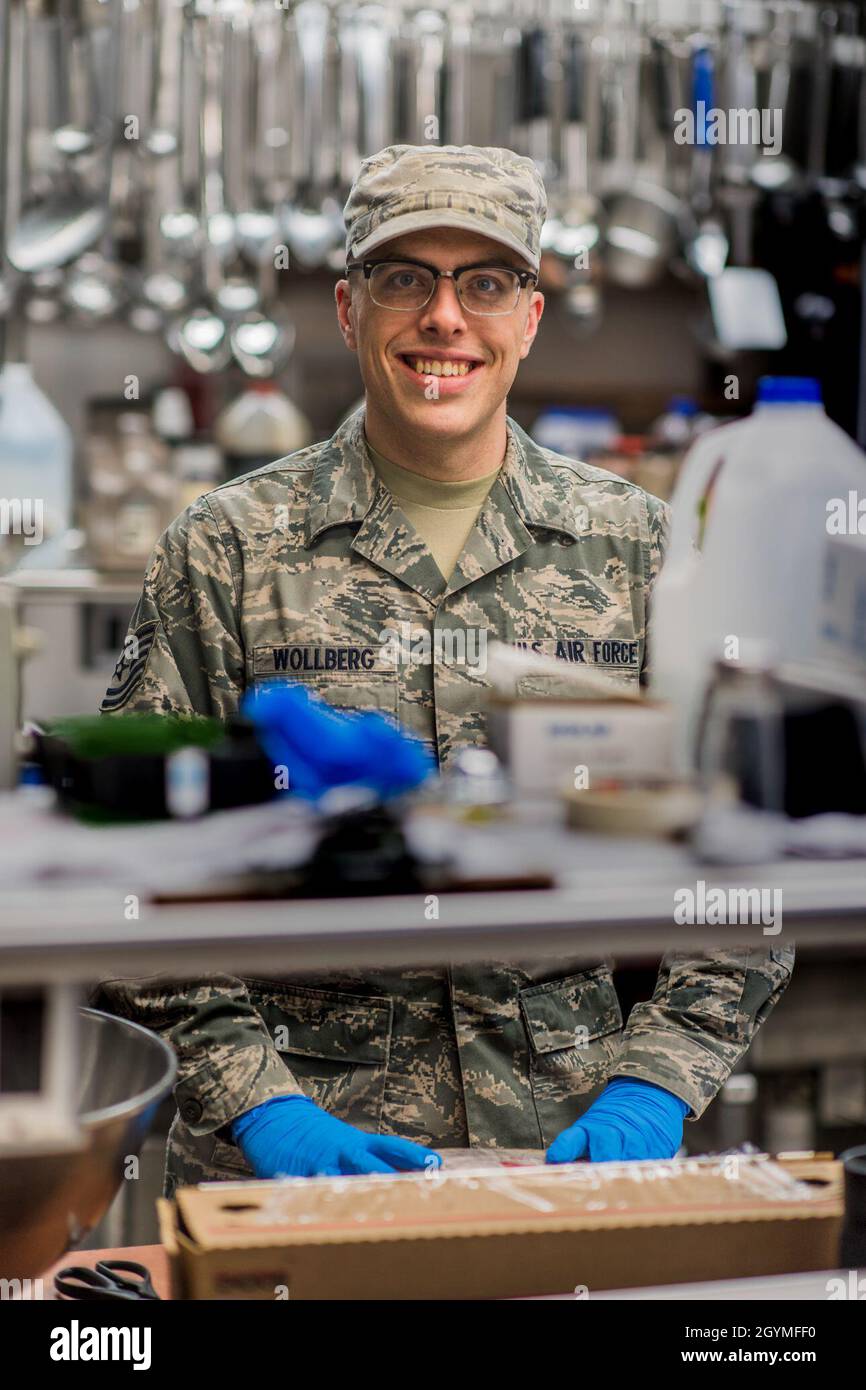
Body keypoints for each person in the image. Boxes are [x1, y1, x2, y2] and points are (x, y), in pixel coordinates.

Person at [95, 145, 793, 1195]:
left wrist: (656, 1077)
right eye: (405, 277)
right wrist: (259, 1098)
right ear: (346, 307)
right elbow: (130, 863)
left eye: (484, 282)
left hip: (568, 1146)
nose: (443, 318)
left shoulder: (643, 548)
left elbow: (754, 844)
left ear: (528, 316)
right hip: (291, 1162)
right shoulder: (226, 546)